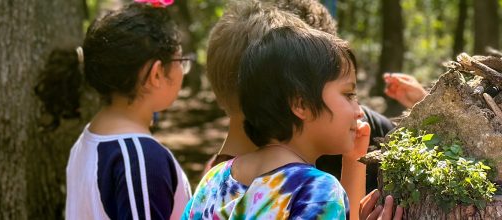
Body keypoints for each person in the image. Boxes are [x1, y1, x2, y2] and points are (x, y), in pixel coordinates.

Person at [200, 1, 402, 219]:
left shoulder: (215, 178)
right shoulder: (316, 191)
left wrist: (353, 161)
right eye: (348, 94)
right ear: (301, 104)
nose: (359, 111)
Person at [35, 1, 193, 219]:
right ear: (156, 74)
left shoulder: (89, 140)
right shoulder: (141, 160)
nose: (183, 70)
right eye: (180, 61)